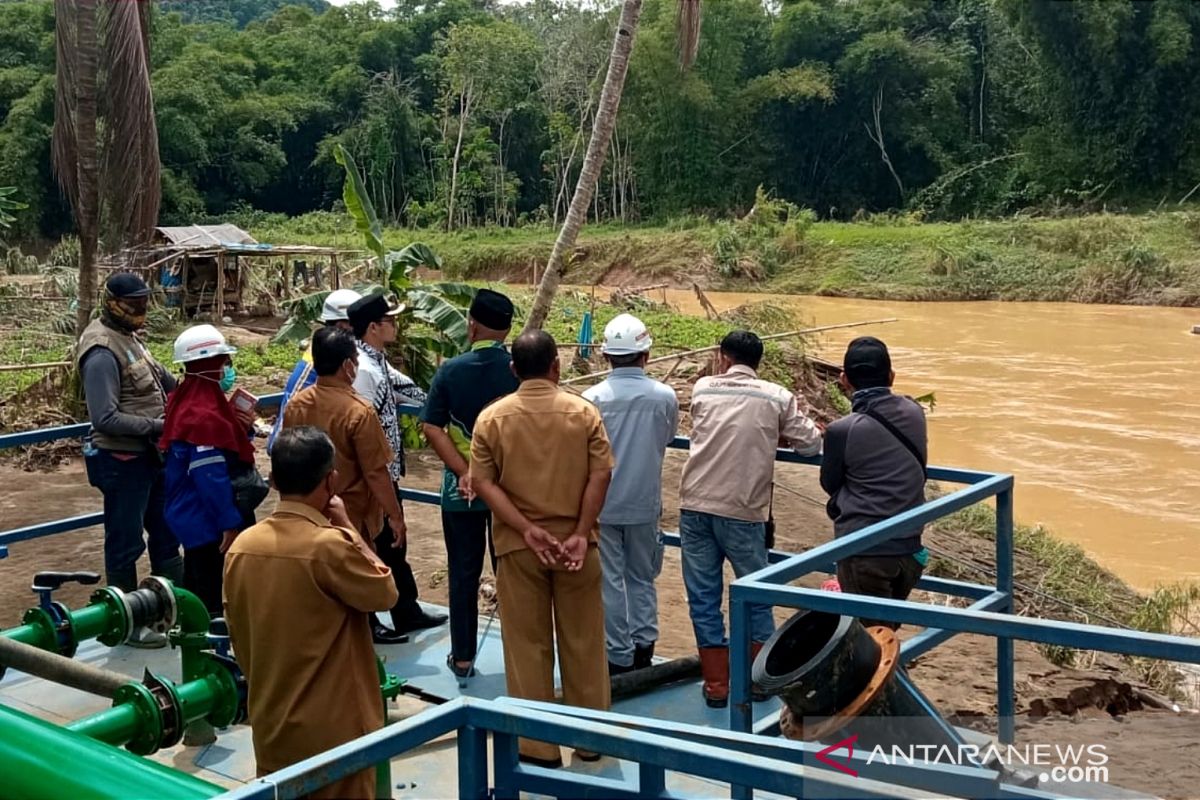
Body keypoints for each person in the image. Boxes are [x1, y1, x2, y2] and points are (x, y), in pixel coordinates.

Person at [224, 426, 398, 800]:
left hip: (272, 725)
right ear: (330, 480)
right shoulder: (328, 546)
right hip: (334, 734)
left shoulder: (242, 547)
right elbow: (385, 592)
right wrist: (349, 527)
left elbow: (238, 633)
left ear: (272, 481)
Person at [470, 330, 613, 768]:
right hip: (577, 547)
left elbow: (483, 483)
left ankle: (537, 746)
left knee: (526, 645)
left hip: (518, 548)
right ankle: (590, 740)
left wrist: (526, 529)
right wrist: (579, 530)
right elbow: (600, 476)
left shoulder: (491, 419)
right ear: (557, 366)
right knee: (584, 642)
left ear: (514, 369)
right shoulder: (583, 413)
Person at [678, 330, 822, 708]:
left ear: (723, 358)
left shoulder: (703, 388)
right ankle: (759, 682)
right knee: (757, 597)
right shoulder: (776, 396)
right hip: (743, 511)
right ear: (757, 361)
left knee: (703, 597)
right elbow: (811, 444)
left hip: (695, 505)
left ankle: (716, 686)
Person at [281, 327, 409, 645]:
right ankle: (360, 628)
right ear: (348, 366)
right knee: (356, 567)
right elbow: (377, 473)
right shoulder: (358, 411)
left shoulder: (297, 404)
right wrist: (396, 515)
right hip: (352, 510)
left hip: (309, 505)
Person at [77, 273, 183, 648]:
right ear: (112, 303)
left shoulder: (131, 339)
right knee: (125, 543)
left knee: (167, 534)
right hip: (123, 461)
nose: (141, 311)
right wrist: (158, 425)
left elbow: (165, 382)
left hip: (151, 458)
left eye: (143, 304)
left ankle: (173, 609)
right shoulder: (101, 351)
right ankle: (127, 623)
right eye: (133, 305)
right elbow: (103, 417)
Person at [419, 288, 519, 679]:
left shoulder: (451, 370)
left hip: (461, 493)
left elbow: (432, 427)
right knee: (510, 572)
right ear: (508, 330)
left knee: (463, 572)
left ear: (472, 325)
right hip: (510, 493)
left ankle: (462, 658)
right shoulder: (517, 370)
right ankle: (520, 656)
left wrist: (464, 472)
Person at [582, 314, 678, 675]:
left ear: (606, 357)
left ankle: (618, 655)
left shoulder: (591, 398)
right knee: (641, 577)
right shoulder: (664, 396)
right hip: (644, 503)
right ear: (646, 355)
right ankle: (644, 647)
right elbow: (668, 437)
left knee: (609, 580)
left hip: (602, 504)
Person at [347, 292, 446, 637]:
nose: (396, 325)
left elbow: (412, 392)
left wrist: (439, 401)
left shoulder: (376, 362)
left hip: (382, 474)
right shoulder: (363, 371)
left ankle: (405, 610)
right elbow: (360, 428)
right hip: (372, 477)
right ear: (373, 327)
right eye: (391, 321)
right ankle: (373, 620)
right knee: (373, 543)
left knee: (392, 545)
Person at [820, 336, 928, 629]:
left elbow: (830, 483)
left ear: (844, 380)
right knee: (885, 632)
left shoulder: (842, 430)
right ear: (892, 376)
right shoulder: (914, 410)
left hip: (865, 551)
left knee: (868, 640)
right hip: (909, 548)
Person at [161, 325, 259, 616]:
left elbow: (224, 446)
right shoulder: (203, 414)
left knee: (199, 579)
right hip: (207, 519)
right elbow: (210, 476)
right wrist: (229, 522)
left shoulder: (188, 400)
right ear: (209, 365)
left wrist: (244, 428)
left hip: (195, 516)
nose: (226, 370)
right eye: (223, 363)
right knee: (213, 592)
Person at [266, 288, 361, 452]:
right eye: (358, 321)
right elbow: (287, 418)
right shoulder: (312, 363)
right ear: (341, 325)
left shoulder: (350, 354)